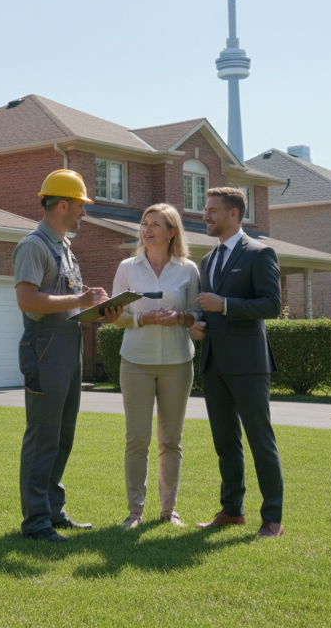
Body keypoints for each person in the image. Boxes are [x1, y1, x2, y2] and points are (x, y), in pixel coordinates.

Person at [13, 169, 122, 543]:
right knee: (43, 434)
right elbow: (27, 300)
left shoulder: (64, 247)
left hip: (67, 346)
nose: (83, 214)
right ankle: (35, 522)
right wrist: (79, 299)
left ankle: (53, 510)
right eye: (80, 206)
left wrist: (95, 307)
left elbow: (69, 302)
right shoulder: (34, 245)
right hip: (43, 348)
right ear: (62, 204)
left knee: (63, 434)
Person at [191, 187, 286, 539]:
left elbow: (271, 306)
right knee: (225, 443)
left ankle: (272, 518)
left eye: (212, 210)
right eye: (206, 209)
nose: (206, 215)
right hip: (213, 362)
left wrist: (225, 305)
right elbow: (207, 305)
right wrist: (198, 324)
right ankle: (232, 511)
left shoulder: (260, 253)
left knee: (260, 440)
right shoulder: (208, 260)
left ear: (234, 214)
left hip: (249, 364)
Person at [110, 203, 201, 529]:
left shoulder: (188, 270)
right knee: (137, 439)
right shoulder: (127, 267)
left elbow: (196, 314)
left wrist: (183, 320)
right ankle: (135, 513)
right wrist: (143, 318)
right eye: (144, 223)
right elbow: (114, 314)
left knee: (171, 440)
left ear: (171, 232)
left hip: (178, 362)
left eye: (155, 224)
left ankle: (168, 511)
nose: (146, 229)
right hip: (135, 362)